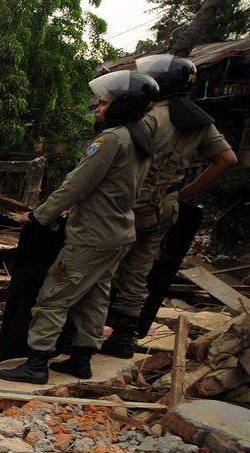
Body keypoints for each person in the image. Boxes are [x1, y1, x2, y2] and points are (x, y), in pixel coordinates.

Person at [0, 71, 158, 384]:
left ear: (122, 105)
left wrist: (39, 216)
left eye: (104, 104)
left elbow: (76, 184)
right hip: (118, 231)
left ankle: (37, 363)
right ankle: (81, 359)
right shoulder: (140, 139)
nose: (98, 109)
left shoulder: (111, 140)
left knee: (54, 295)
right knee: (94, 296)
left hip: (92, 235)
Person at [100, 55, 237, 358]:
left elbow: (117, 159)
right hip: (165, 206)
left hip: (128, 202)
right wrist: (182, 194)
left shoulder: (149, 117)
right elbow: (227, 159)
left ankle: (79, 337)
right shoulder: (200, 121)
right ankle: (122, 338)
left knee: (99, 265)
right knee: (138, 272)